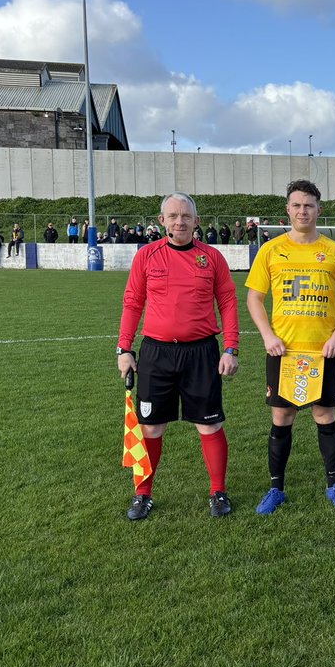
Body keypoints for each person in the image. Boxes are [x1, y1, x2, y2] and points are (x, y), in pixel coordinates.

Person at [116, 192, 240, 521]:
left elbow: (228, 301)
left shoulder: (212, 258)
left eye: (186, 216)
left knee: (209, 425)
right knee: (151, 428)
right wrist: (124, 348)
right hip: (156, 352)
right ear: (162, 221)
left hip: (201, 352)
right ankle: (143, 494)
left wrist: (231, 347)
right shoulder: (146, 256)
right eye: (173, 216)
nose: (179, 221)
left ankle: (218, 491)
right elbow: (132, 302)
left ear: (197, 222)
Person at [246, 180, 335, 514]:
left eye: (308, 205)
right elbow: (254, 297)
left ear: (318, 209)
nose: (302, 211)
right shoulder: (271, 250)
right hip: (284, 351)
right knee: (282, 416)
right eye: (296, 205)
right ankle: (276, 489)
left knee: (325, 416)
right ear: (288, 209)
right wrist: (268, 336)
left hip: (323, 351)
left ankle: (333, 484)